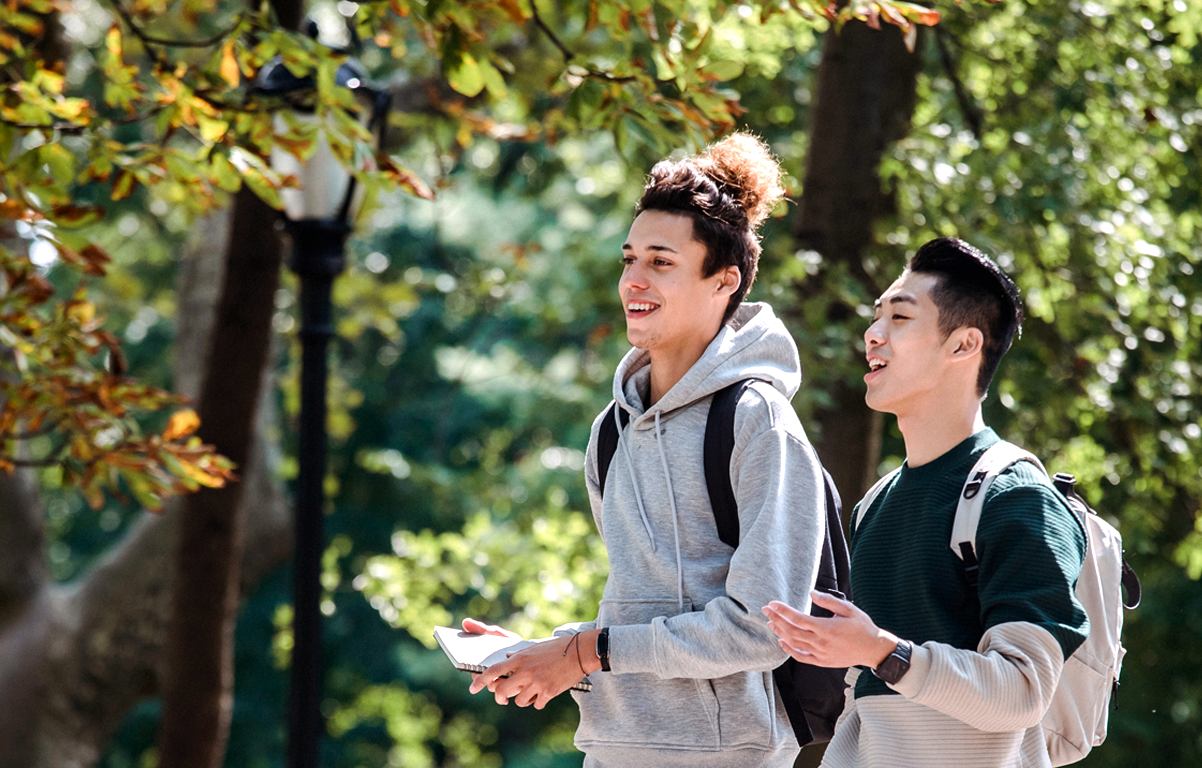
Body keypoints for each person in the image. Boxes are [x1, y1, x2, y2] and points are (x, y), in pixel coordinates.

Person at [465, 132, 828, 768]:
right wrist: (543, 653)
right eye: (629, 259)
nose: (634, 279)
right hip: (612, 748)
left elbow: (764, 628)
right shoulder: (612, 430)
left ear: (724, 282)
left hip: (725, 755)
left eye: (661, 262)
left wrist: (585, 651)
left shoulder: (755, 421)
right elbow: (640, 612)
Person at [762, 237, 1089, 768]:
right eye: (876, 317)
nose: (872, 335)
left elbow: (1022, 692)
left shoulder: (1018, 497)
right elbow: (863, 703)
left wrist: (880, 651)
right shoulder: (874, 505)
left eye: (899, 318)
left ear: (963, 345)